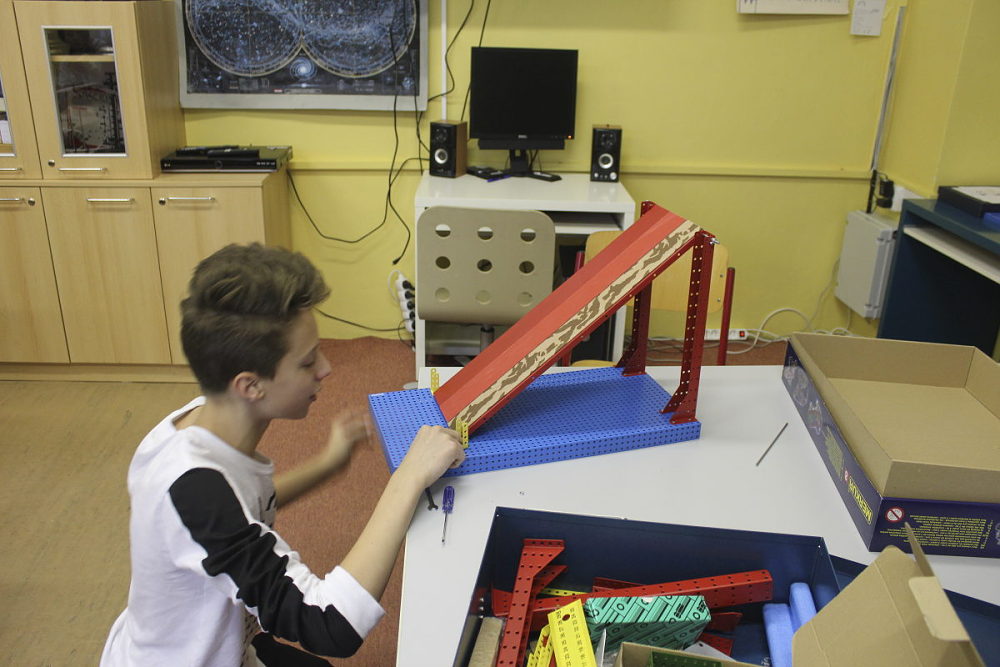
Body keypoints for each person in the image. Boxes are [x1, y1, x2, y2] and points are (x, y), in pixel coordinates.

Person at [101, 243, 465, 666]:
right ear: (250, 386)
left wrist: (326, 464)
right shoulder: (194, 491)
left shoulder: (195, 426)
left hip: (227, 641)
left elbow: (239, 507)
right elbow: (330, 625)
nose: (326, 368)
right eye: (307, 362)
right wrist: (408, 477)